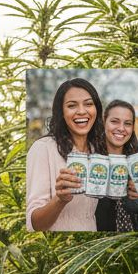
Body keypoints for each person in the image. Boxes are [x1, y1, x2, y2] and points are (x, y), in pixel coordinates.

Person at [26, 77, 105, 232]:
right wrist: (59, 200)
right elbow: (34, 224)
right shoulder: (43, 149)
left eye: (88, 104)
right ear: (61, 112)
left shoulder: (97, 151)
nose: (82, 111)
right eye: (71, 105)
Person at [95, 99, 138, 231]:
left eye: (127, 123)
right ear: (104, 122)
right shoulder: (92, 159)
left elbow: (137, 208)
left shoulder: (136, 160)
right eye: (114, 121)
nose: (121, 128)